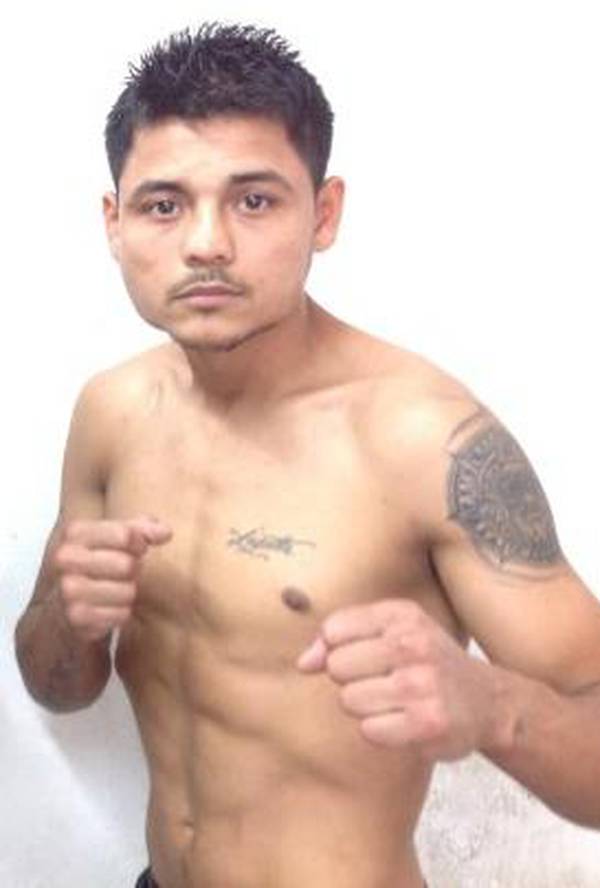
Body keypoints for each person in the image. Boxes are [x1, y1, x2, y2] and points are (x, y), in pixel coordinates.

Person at [13, 22, 600, 888]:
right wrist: (68, 619)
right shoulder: (111, 411)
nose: (206, 243)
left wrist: (494, 707)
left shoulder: (423, 440)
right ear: (114, 222)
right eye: (164, 205)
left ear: (323, 214)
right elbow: (58, 686)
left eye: (254, 200)